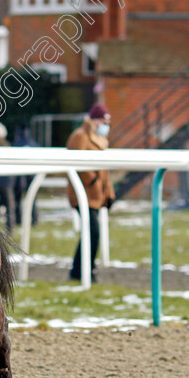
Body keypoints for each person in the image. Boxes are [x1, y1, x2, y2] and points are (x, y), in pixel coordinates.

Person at [66, 104, 115, 282]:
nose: (106, 125)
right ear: (94, 120)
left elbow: (105, 171)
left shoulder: (101, 139)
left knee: (91, 232)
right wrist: (92, 180)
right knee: (93, 232)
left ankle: (81, 269)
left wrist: (109, 193)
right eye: (104, 121)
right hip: (83, 194)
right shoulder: (80, 136)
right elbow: (75, 163)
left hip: (96, 195)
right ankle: (83, 269)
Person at [12, 123, 40, 226]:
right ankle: (35, 219)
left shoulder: (16, 144)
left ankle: (18, 219)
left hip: (19, 174)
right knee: (32, 197)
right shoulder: (34, 144)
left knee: (17, 198)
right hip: (32, 174)